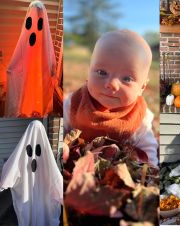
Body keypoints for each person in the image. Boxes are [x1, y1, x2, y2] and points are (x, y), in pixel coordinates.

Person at [64, 30, 158, 166]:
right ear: (89, 72)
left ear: (142, 87)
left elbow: (147, 149)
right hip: (77, 162)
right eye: (101, 72)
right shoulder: (75, 103)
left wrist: (150, 169)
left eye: (127, 78)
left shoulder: (139, 117)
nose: (111, 84)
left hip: (115, 168)